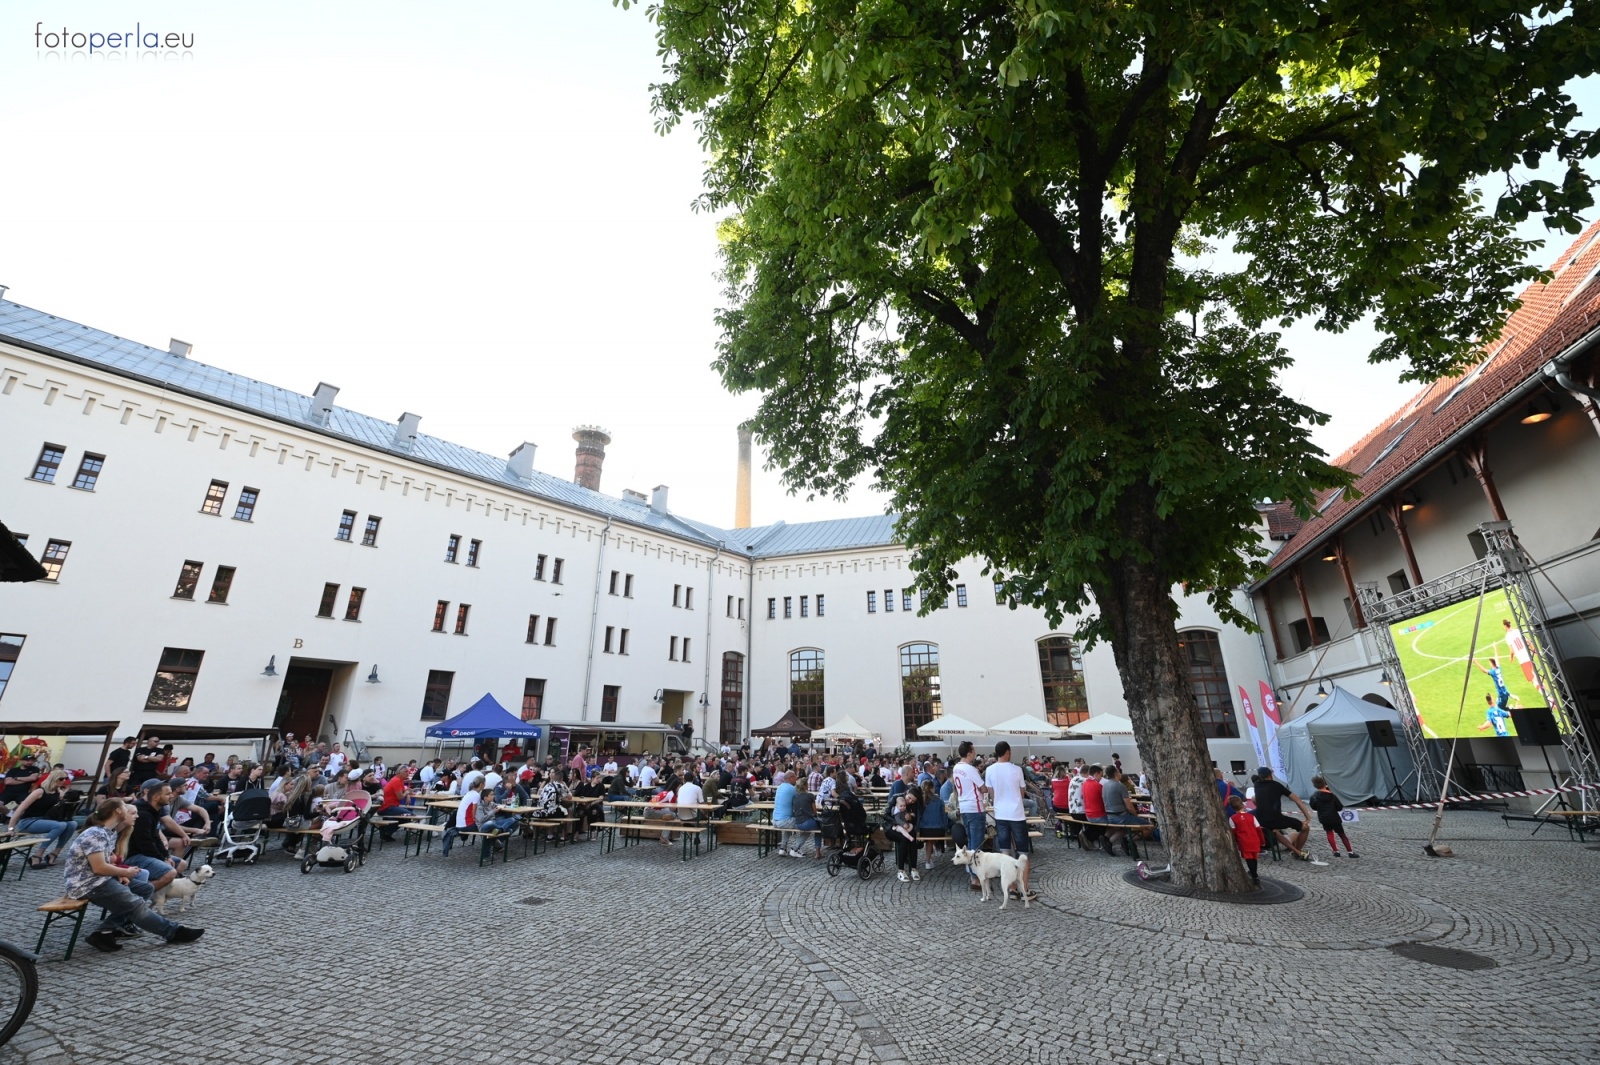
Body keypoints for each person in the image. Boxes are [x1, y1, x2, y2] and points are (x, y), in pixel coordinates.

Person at [64, 800, 204, 953]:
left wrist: (119, 874)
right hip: (88, 885)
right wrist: (124, 872)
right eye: (126, 807)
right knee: (136, 904)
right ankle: (173, 932)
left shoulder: (108, 832)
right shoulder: (95, 834)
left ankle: (104, 931)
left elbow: (105, 863)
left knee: (145, 888)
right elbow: (98, 868)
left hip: (100, 880)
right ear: (118, 811)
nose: (133, 813)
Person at [984, 741, 1035, 900]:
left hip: (1000, 814)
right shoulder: (1017, 769)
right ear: (1007, 752)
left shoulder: (990, 770)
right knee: (1023, 853)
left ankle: (1011, 889)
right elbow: (1021, 792)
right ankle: (1024, 889)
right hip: (1016, 814)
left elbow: (991, 793)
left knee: (1005, 853)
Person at [7, 769, 78, 866]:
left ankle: (54, 854)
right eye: (61, 779)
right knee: (60, 825)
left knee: (72, 824)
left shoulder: (58, 792)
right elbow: (20, 809)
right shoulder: (39, 791)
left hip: (44, 819)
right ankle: (37, 855)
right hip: (28, 821)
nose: (64, 781)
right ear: (54, 779)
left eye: (65, 779)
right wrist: (11, 828)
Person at [1252, 767, 1312, 859]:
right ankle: (1298, 851)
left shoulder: (1257, 785)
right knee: (1305, 828)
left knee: (1275, 830)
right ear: (1270, 775)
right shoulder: (1276, 785)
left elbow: (1255, 799)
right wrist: (1307, 817)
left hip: (1261, 820)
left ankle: (1296, 851)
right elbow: (1297, 800)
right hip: (1275, 819)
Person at [951, 740, 986, 892]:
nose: (975, 753)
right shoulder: (971, 769)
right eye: (974, 751)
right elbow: (983, 788)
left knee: (971, 841)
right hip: (974, 807)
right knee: (977, 844)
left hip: (964, 807)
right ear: (969, 753)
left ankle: (972, 873)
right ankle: (975, 876)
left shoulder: (956, 768)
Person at [1099, 765, 1148, 857]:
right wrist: (1136, 815)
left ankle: (1110, 841)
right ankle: (1128, 840)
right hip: (1121, 816)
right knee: (1149, 826)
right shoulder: (1120, 786)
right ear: (1116, 773)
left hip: (1110, 815)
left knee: (1124, 828)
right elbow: (1129, 806)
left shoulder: (1104, 786)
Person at [1308, 775, 1358, 858]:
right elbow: (1339, 807)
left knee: (1329, 833)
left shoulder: (1314, 796)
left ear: (1315, 786)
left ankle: (1336, 851)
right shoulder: (1332, 796)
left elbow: (1313, 807)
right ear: (1324, 784)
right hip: (1334, 818)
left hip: (1323, 818)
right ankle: (1350, 852)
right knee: (1342, 835)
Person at [1226, 795, 1263, 886]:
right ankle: (1254, 873)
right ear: (1243, 805)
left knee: (1249, 859)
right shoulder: (1251, 817)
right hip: (1255, 840)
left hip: (1244, 842)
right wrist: (1262, 840)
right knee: (1254, 858)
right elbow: (1258, 829)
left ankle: (1255, 876)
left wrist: (1234, 841)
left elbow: (1233, 832)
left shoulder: (1233, 818)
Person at [917, 778, 948, 870]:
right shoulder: (939, 801)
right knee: (932, 837)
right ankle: (936, 849)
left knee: (930, 838)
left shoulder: (920, 801)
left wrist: (917, 830)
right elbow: (944, 816)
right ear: (932, 788)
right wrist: (945, 829)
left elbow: (918, 817)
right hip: (938, 830)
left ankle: (928, 861)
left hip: (923, 830)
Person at [377, 765, 413, 842]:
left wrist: (408, 795)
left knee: (407, 812)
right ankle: (386, 832)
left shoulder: (399, 780)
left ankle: (386, 832)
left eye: (408, 772)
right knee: (409, 815)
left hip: (390, 806)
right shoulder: (396, 781)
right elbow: (400, 797)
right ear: (400, 772)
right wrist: (407, 793)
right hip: (386, 807)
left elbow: (405, 791)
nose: (408, 773)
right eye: (406, 771)